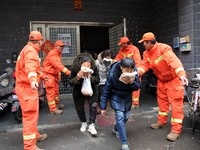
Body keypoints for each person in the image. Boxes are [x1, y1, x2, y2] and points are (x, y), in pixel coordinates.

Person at [137, 32, 188, 141]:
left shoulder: (164, 49)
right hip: (161, 81)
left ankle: (176, 130)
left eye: (144, 43)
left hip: (173, 80)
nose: (143, 45)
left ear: (150, 42)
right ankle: (161, 122)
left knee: (176, 106)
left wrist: (182, 75)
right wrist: (137, 73)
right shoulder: (146, 54)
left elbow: (173, 61)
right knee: (162, 102)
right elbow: (144, 65)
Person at [15, 31, 48, 150]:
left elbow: (30, 68)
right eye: (41, 42)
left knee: (32, 115)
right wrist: (33, 79)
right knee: (30, 116)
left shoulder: (26, 49)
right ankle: (30, 147)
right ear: (39, 41)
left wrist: (42, 76)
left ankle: (35, 136)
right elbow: (30, 67)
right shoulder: (31, 52)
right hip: (27, 89)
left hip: (24, 87)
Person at [100, 57, 140, 150]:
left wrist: (131, 82)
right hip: (116, 96)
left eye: (131, 70)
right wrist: (103, 107)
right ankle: (124, 143)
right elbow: (106, 90)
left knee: (125, 117)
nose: (129, 72)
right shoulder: (113, 73)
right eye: (126, 70)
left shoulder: (134, 72)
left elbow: (137, 87)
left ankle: (116, 129)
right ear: (121, 67)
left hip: (127, 97)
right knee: (120, 116)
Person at [68, 53, 100, 136]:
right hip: (78, 90)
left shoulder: (94, 68)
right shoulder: (75, 69)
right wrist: (78, 77)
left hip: (92, 89)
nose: (87, 68)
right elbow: (71, 82)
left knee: (93, 105)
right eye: (84, 66)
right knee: (79, 107)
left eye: (88, 66)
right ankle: (83, 122)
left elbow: (97, 80)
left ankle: (92, 125)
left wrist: (90, 77)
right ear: (80, 65)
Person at [42, 40, 71, 115]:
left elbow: (57, 66)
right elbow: (57, 65)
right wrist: (68, 72)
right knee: (51, 92)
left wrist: (58, 75)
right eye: (60, 46)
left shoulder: (58, 54)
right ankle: (53, 109)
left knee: (55, 91)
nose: (62, 48)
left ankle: (56, 105)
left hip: (53, 75)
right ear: (56, 46)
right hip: (49, 75)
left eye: (63, 46)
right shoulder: (53, 54)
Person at [114, 36, 142, 109]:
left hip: (133, 70)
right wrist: (114, 61)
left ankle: (135, 103)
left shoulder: (134, 49)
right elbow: (118, 57)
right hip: (125, 71)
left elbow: (137, 61)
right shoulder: (122, 50)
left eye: (122, 44)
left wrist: (137, 71)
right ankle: (127, 101)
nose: (121, 45)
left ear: (126, 43)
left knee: (135, 86)